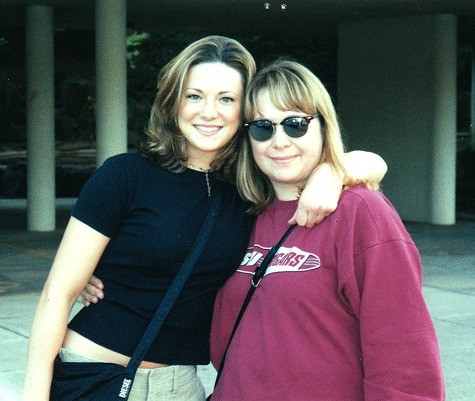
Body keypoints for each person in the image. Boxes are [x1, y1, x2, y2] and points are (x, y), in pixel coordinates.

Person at [23, 36, 386, 401]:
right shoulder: (125, 176)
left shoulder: (250, 187)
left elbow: (373, 162)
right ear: (173, 101)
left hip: (179, 387)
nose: (209, 112)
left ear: (246, 111)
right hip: (91, 375)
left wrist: (331, 173)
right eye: (194, 96)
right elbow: (57, 295)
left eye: (226, 99)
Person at [209, 59, 445, 400]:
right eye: (263, 127)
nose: (279, 141)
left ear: (323, 126)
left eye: (295, 124)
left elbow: (405, 355)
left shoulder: (361, 212)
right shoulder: (242, 214)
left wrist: (335, 171)